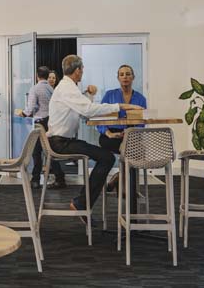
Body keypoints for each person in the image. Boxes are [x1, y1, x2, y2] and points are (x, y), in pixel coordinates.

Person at [47, 54, 140, 218]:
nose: (82, 72)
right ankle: (81, 203)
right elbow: (88, 110)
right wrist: (121, 106)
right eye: (82, 69)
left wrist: (89, 97)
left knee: (106, 157)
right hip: (60, 143)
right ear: (77, 71)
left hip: (63, 141)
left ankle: (83, 202)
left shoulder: (68, 87)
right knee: (107, 158)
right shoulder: (67, 88)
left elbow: (82, 110)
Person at [14, 65, 66, 190]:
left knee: (36, 152)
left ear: (37, 75)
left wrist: (22, 113)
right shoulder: (51, 89)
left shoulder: (35, 89)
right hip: (51, 122)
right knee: (50, 151)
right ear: (48, 76)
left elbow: (30, 108)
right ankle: (59, 178)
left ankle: (36, 180)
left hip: (40, 123)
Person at [97, 65, 147, 154]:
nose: (125, 77)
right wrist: (109, 133)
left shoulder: (141, 98)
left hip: (132, 134)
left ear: (133, 77)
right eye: (122, 74)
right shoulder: (109, 95)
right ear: (118, 78)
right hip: (110, 135)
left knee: (134, 148)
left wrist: (130, 134)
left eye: (128, 74)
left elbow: (142, 122)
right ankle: (126, 163)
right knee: (128, 148)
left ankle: (129, 166)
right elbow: (99, 118)